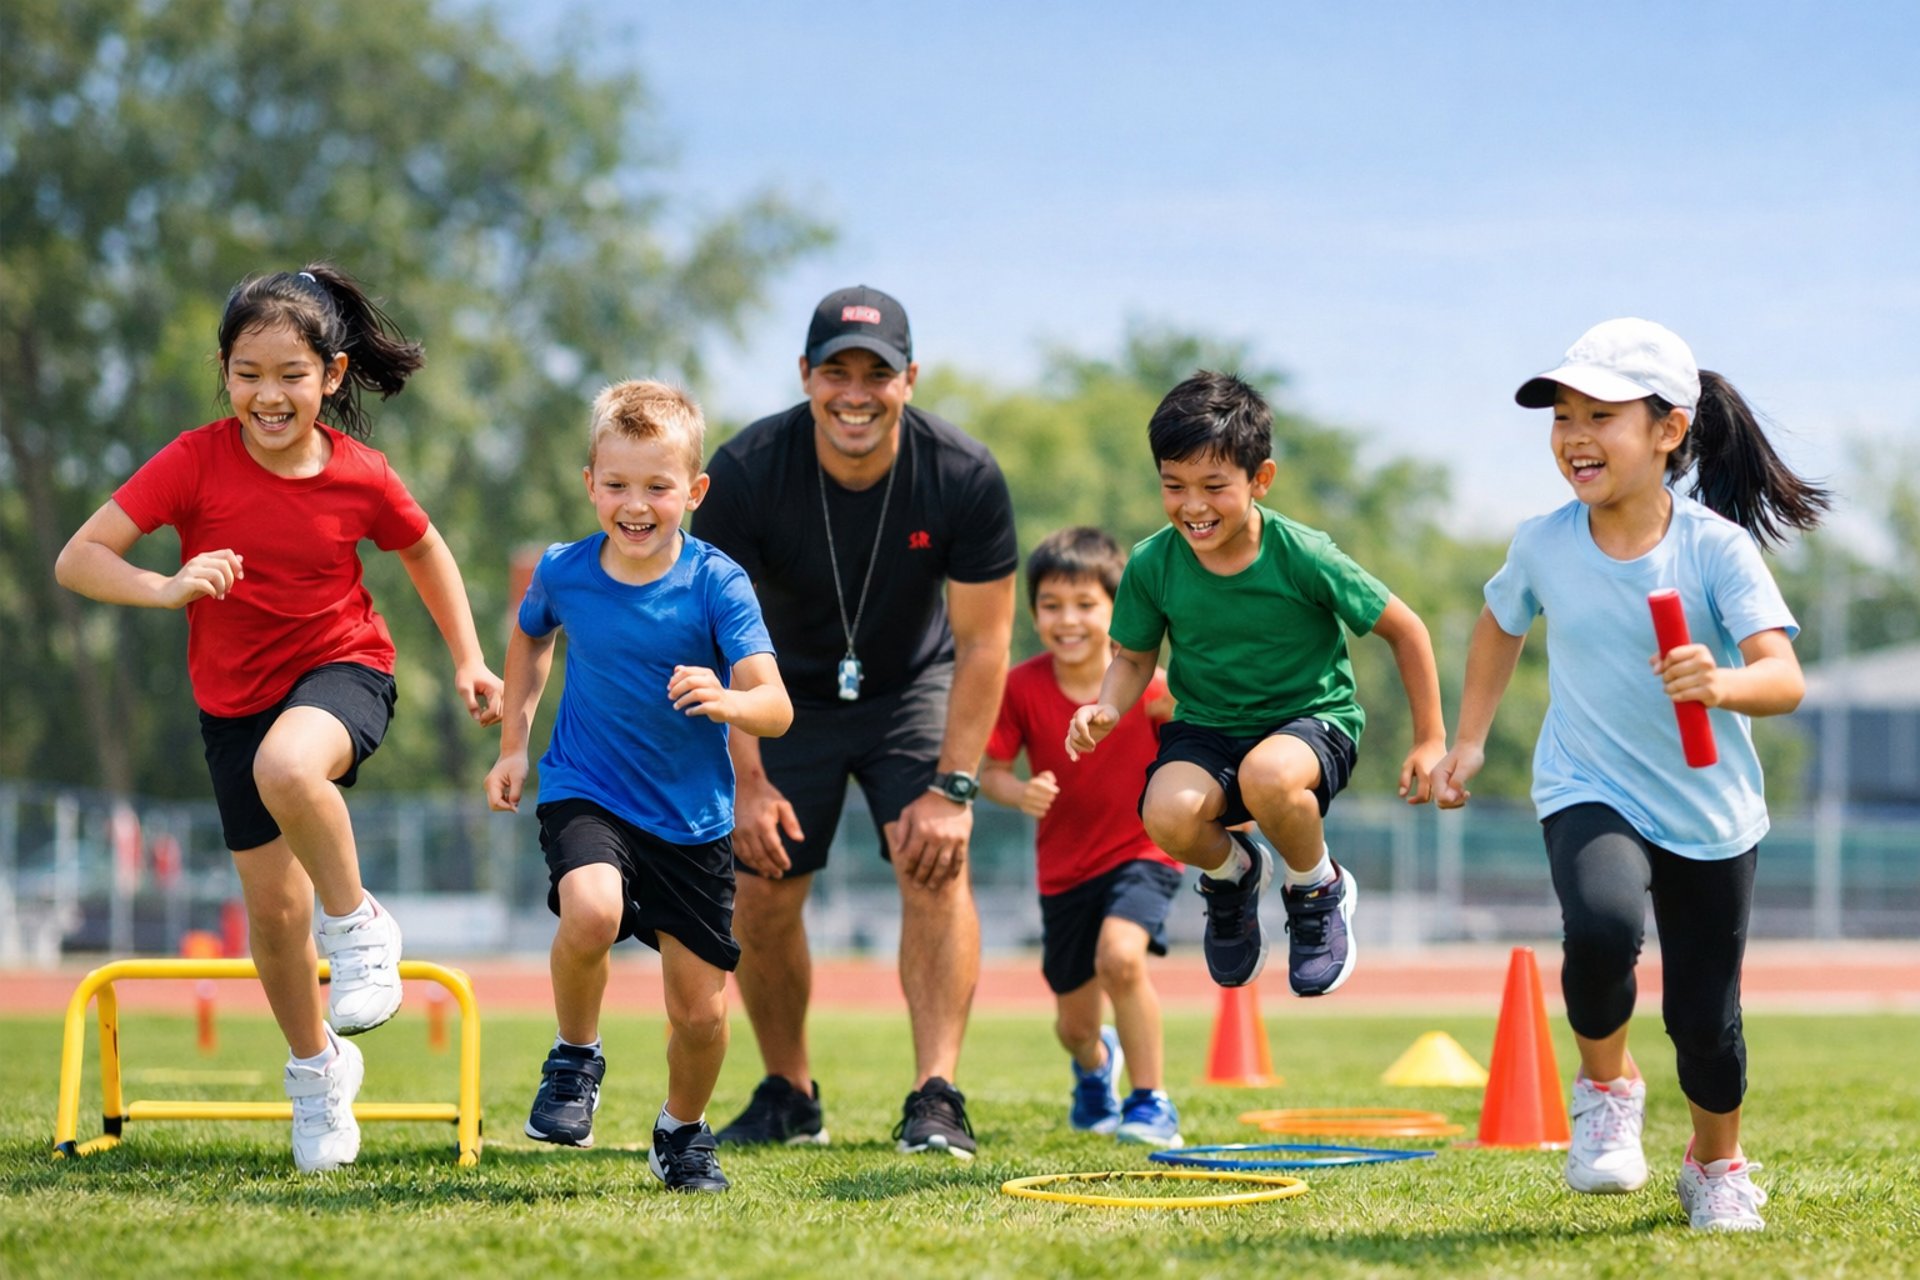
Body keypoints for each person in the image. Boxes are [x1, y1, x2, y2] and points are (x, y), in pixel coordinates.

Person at [54, 264, 503, 1172]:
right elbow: (78, 558)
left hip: (346, 671)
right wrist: (166, 585)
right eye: (249, 373)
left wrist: (468, 657)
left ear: (331, 377)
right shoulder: (192, 460)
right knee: (270, 915)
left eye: (291, 374)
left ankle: (361, 926)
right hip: (231, 703)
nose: (269, 394)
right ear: (224, 372)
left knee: (291, 768)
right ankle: (318, 1075)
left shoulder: (361, 476)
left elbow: (425, 549)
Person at [1431, 318, 1828, 1232]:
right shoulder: (1543, 542)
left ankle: (1717, 1163)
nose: (1574, 434)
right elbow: (1500, 623)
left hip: (1711, 810)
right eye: (1562, 415)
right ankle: (1606, 1088)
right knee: (1603, 929)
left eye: (1600, 414)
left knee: (1705, 1019)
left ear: (1669, 430)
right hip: (1588, 782)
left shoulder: (1715, 549)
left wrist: (1719, 680)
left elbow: (1785, 678)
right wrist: (1471, 739)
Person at [692, 286, 1017, 1159]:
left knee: (935, 864)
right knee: (758, 884)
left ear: (909, 379)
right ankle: (791, 1093)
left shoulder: (963, 474)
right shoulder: (749, 471)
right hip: (779, 691)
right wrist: (748, 782)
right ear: (805, 375)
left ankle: (936, 1094)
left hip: (910, 686)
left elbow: (986, 646)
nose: (855, 393)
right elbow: (714, 639)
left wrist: (953, 789)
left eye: (877, 372)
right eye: (836, 370)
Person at [484, 380, 791, 1194]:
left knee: (700, 1016)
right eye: (616, 484)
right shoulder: (563, 571)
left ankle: (680, 1131)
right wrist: (517, 746)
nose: (635, 504)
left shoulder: (716, 584)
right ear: (589, 483)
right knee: (593, 908)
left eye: (658, 487)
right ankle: (575, 1057)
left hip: (691, 821)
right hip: (586, 787)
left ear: (693, 492)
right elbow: (529, 640)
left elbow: (776, 704)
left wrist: (727, 698)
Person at [1066, 370, 1446, 996]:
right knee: (1165, 814)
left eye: (1214, 486)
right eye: (1173, 485)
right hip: (1210, 727)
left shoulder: (1303, 554)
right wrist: (1105, 706)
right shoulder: (1151, 563)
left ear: (1259, 479)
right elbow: (1133, 659)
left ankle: (1318, 886)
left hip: (1310, 722)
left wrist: (1430, 739)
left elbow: (1407, 631)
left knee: (1267, 778)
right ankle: (1234, 874)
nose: (1193, 505)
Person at [981, 527, 1186, 1148]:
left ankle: (1151, 1103)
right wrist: (1020, 792)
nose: (1067, 620)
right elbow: (989, 771)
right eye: (1051, 605)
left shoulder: (1153, 690)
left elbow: (1202, 755)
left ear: (1115, 610)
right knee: (1073, 1026)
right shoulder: (1019, 687)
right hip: (1064, 872)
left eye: (1086, 604)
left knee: (1121, 959)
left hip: (1143, 853)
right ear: (1034, 611)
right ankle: (1097, 1068)